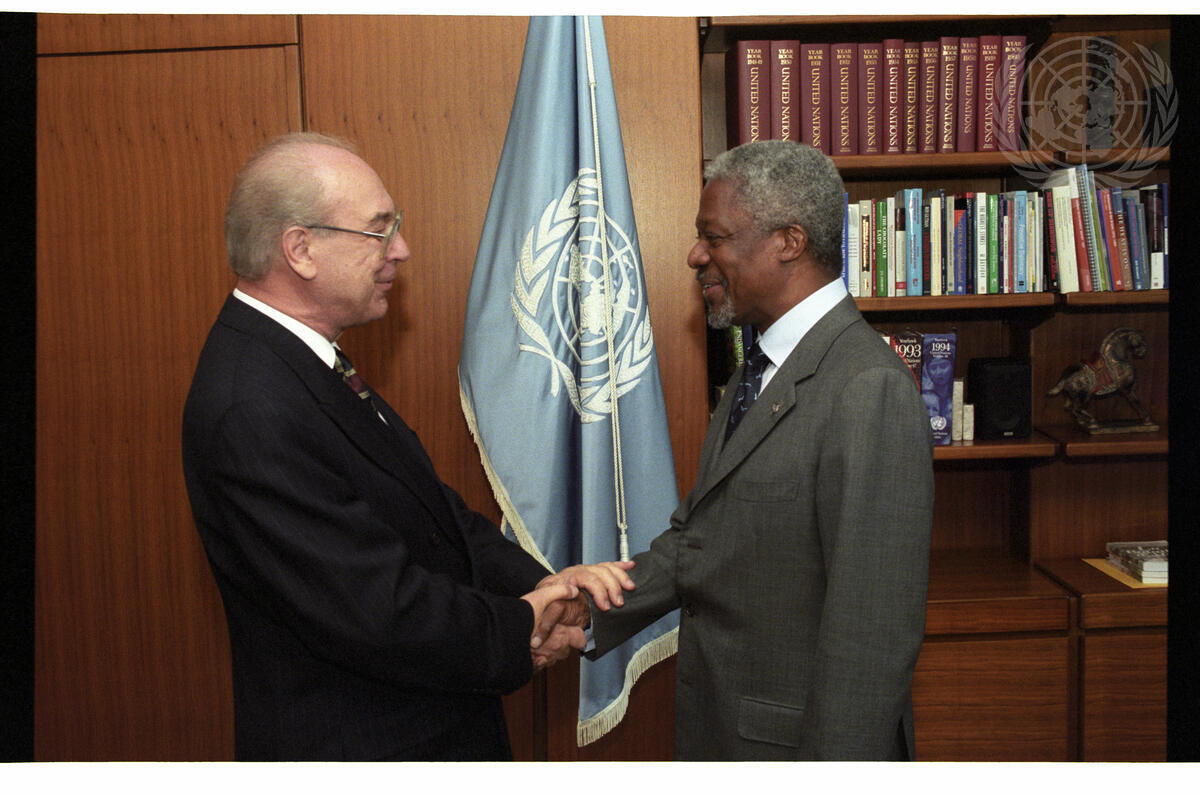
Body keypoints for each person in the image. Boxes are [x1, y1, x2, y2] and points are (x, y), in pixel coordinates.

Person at [182, 132, 622, 761]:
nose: (401, 250)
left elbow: (434, 518)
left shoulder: (303, 362)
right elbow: (373, 609)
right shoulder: (252, 405)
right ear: (300, 250)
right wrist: (523, 624)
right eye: (378, 230)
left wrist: (545, 586)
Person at [537, 140, 934, 760]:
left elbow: (872, 634)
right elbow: (701, 541)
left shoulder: (866, 387)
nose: (696, 255)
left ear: (788, 242)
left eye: (714, 237)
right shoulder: (762, 368)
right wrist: (588, 611)